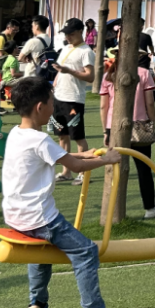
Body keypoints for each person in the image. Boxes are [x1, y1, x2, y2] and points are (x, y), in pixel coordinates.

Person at [0, 76, 121, 308]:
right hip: (39, 217)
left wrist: (88, 153)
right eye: (52, 102)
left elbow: (69, 158)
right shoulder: (41, 139)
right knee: (86, 251)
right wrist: (106, 159)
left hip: (15, 216)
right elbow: (74, 167)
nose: (55, 106)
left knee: (40, 250)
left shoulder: (17, 134)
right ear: (41, 107)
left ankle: (38, 302)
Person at [99, 51, 155, 219]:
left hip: (114, 127)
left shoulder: (109, 75)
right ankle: (150, 207)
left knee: (115, 169)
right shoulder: (143, 73)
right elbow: (150, 101)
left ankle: (112, 210)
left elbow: (103, 106)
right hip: (140, 126)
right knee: (144, 169)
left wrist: (105, 130)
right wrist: (152, 122)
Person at [50, 18, 96, 184]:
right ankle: (66, 172)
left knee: (78, 137)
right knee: (62, 136)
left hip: (74, 99)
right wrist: (54, 85)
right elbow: (60, 71)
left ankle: (83, 173)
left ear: (80, 32)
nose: (68, 37)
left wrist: (69, 71)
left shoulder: (87, 51)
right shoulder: (65, 49)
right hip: (58, 98)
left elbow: (90, 76)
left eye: (71, 34)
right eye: (66, 34)